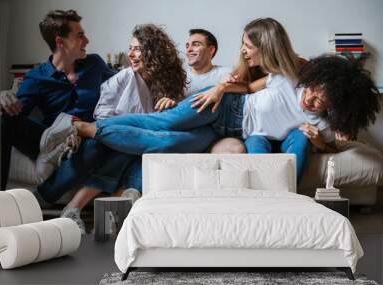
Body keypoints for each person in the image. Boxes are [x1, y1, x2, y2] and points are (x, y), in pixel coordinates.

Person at [42, 18, 381, 184]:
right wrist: (219, 89)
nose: (310, 100)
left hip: (236, 130)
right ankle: (81, 126)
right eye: (313, 91)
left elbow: (333, 141)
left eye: (319, 101)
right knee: (163, 123)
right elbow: (248, 89)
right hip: (224, 107)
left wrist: (321, 140)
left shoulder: (321, 120)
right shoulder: (291, 76)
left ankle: (276, 201)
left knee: (167, 141)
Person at [37, 24, 216, 233]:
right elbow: (102, 114)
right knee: (124, 150)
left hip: (141, 140)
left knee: (143, 150)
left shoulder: (171, 82)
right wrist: (127, 128)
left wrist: (172, 104)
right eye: (130, 48)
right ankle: (85, 206)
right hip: (112, 136)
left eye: (137, 48)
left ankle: (84, 210)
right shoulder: (125, 77)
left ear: (154, 52)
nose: (131, 54)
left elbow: (172, 122)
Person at [0, 10, 114, 189]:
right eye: (80, 36)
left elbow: (124, 83)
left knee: (97, 142)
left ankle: (48, 193)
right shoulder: (37, 77)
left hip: (88, 135)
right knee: (4, 120)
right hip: (52, 139)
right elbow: (16, 113)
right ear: (60, 42)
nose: (87, 41)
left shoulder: (95, 64)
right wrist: (1, 98)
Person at [184, 29, 231, 96]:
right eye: (187, 46)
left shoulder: (227, 73)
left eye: (196, 44)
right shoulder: (179, 78)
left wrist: (224, 86)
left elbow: (248, 87)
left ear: (211, 50)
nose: (189, 50)